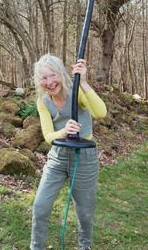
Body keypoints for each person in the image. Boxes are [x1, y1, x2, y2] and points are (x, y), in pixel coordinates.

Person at [30, 54, 107, 250]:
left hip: (85, 158)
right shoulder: (43, 101)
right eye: (43, 78)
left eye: (52, 75)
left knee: (85, 212)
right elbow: (48, 135)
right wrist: (63, 132)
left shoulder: (77, 92)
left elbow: (101, 113)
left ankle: (85, 246)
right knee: (40, 206)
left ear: (61, 74)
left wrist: (85, 83)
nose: (49, 82)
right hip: (58, 157)